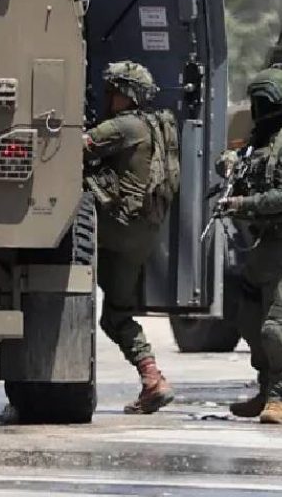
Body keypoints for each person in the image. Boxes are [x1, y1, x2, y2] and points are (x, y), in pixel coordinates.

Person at [216, 64, 282, 425]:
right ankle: (265, 390)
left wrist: (243, 205)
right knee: (248, 320)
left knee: (276, 328)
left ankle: (280, 397)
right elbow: (246, 175)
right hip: (261, 247)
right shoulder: (261, 142)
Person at [84, 61, 179, 414]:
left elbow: (74, 148)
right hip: (143, 235)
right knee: (115, 315)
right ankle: (152, 378)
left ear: (126, 94)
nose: (108, 97)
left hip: (114, 225)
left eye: (113, 91)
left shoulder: (124, 126)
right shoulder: (159, 126)